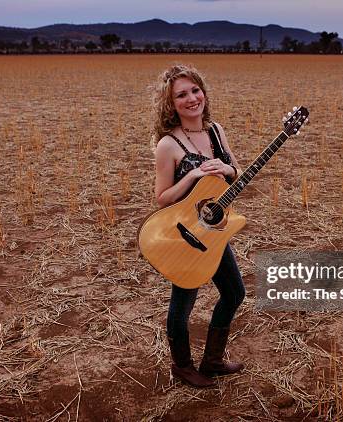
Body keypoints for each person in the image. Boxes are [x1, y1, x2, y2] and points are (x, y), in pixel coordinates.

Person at [152, 64, 246, 388]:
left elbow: (236, 172)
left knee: (234, 292)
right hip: (185, 236)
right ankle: (181, 365)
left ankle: (213, 360)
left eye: (195, 90)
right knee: (183, 303)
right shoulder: (168, 145)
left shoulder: (216, 131)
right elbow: (162, 197)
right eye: (181, 94)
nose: (192, 98)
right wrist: (192, 175)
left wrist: (228, 170)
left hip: (215, 230)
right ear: (170, 104)